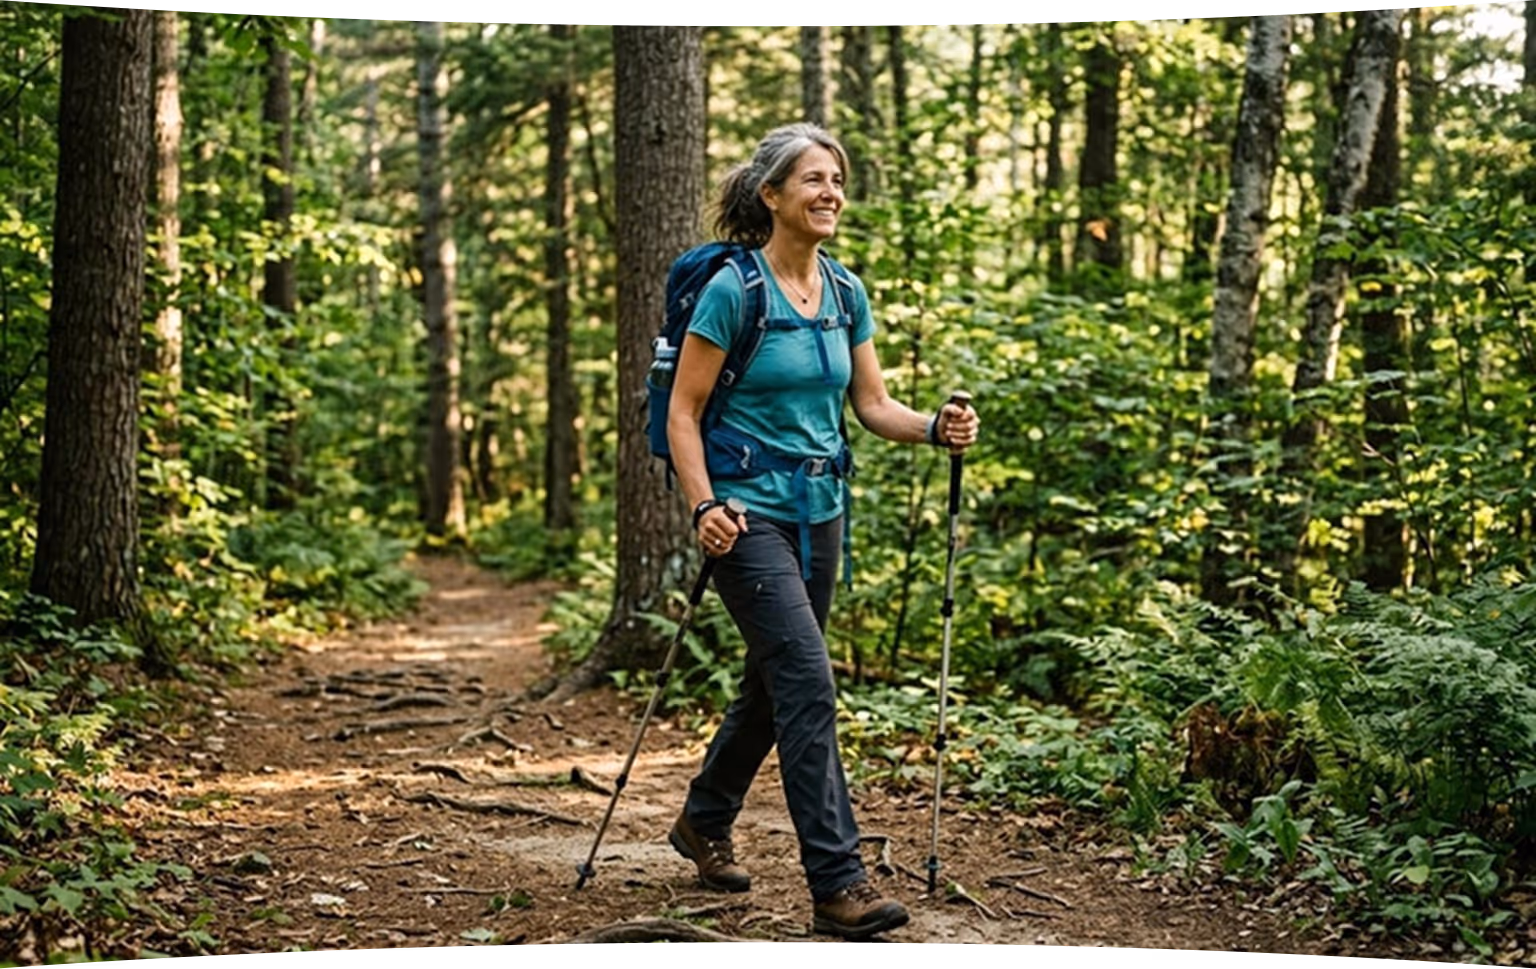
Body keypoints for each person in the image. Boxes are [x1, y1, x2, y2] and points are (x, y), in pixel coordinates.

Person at [664, 123, 979, 941]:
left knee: (775, 683)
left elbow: (872, 406)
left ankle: (703, 818)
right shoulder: (734, 290)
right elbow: (684, 413)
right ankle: (836, 882)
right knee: (807, 680)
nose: (830, 191)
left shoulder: (845, 291)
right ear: (771, 194)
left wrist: (933, 426)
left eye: (836, 178)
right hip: (745, 516)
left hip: (821, 511)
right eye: (812, 178)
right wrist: (704, 507)